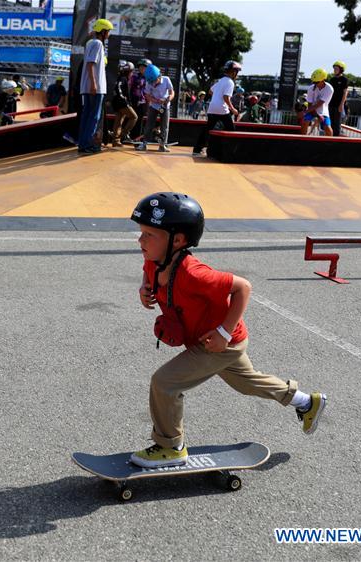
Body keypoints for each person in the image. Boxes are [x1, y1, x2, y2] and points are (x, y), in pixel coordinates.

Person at [127, 192, 327, 468]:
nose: (141, 240)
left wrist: (223, 332)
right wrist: (144, 288)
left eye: (150, 234)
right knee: (246, 383)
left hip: (220, 343)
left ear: (179, 240)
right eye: (141, 232)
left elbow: (242, 287)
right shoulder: (155, 260)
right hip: (216, 341)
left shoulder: (194, 273)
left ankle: (170, 446)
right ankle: (307, 402)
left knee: (165, 383)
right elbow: (147, 271)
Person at [77, 18, 112, 154]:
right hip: (95, 89)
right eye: (108, 31)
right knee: (94, 117)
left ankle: (83, 144)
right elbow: (91, 64)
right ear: (103, 31)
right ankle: (87, 145)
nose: (109, 34)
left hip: (88, 87)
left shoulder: (90, 42)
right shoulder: (98, 44)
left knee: (87, 116)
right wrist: (94, 84)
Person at [193, 60, 240, 155]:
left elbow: (210, 91)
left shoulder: (221, 80)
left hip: (212, 108)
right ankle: (232, 150)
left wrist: (217, 96)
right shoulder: (230, 82)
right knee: (231, 129)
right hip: (222, 109)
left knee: (207, 129)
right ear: (233, 72)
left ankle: (197, 150)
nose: (237, 74)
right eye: (237, 72)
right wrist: (233, 109)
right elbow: (226, 97)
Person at [136, 64, 174, 152]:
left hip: (165, 106)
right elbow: (147, 95)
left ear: (159, 76)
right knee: (149, 125)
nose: (153, 83)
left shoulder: (166, 79)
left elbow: (172, 92)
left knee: (164, 126)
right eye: (151, 81)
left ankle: (162, 145)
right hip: (153, 106)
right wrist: (156, 101)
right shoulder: (149, 82)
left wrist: (168, 99)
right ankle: (144, 144)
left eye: (154, 81)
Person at [109, 62, 137, 147]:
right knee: (134, 117)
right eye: (131, 71)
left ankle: (116, 141)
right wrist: (125, 101)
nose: (132, 74)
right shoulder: (123, 78)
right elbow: (118, 89)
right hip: (121, 103)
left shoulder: (121, 78)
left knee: (119, 121)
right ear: (127, 71)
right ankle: (123, 135)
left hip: (118, 103)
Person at [301, 68, 334, 136]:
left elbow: (319, 104)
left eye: (317, 82)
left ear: (323, 80)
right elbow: (310, 105)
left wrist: (305, 112)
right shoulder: (311, 88)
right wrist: (317, 116)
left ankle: (330, 143)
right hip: (311, 109)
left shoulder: (329, 89)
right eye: (314, 82)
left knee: (327, 128)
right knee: (305, 122)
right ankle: (302, 140)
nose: (315, 84)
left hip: (323, 110)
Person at [128, 58, 149, 140]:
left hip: (143, 103)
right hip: (133, 101)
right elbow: (129, 88)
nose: (142, 68)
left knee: (140, 121)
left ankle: (137, 139)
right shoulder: (134, 77)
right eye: (140, 67)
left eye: (144, 67)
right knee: (132, 118)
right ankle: (127, 136)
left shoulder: (149, 78)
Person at [328, 60, 349, 135]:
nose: (334, 70)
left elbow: (345, 93)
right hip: (331, 104)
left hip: (339, 105)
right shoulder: (332, 79)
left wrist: (341, 105)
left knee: (337, 125)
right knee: (330, 123)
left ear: (341, 70)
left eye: (336, 68)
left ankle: (335, 141)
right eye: (334, 68)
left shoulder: (344, 80)